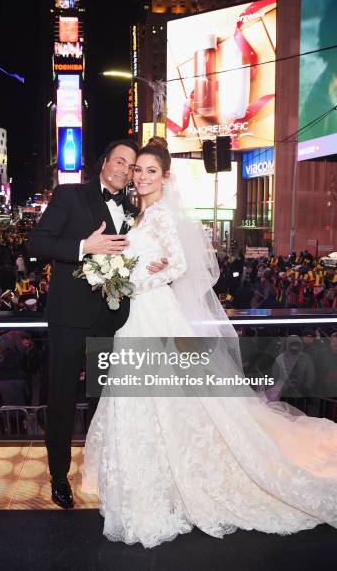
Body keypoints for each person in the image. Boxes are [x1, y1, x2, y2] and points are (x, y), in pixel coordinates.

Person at [82, 137, 337, 549]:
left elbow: (179, 265)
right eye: (138, 171)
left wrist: (128, 281)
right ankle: (152, 485)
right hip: (141, 317)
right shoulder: (140, 216)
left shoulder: (162, 214)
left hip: (154, 313)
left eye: (151, 171)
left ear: (166, 176)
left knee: (167, 402)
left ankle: (167, 487)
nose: (142, 177)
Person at [27, 139, 169, 510]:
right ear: (105, 162)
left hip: (112, 321)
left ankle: (98, 470)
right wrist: (83, 246)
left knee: (102, 403)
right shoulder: (70, 195)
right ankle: (59, 475)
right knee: (60, 400)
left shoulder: (134, 207)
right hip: (69, 319)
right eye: (121, 161)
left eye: (133, 165)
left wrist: (160, 267)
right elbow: (37, 242)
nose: (126, 170)